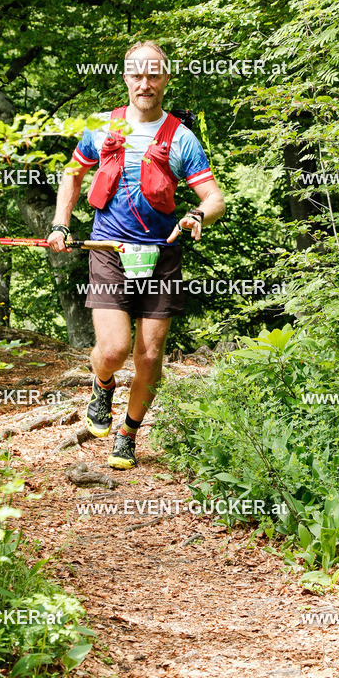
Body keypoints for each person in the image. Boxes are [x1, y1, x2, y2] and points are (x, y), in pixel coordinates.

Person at [47, 41, 226, 469]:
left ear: (166, 77)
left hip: (161, 256)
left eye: (154, 74)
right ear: (126, 77)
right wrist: (60, 223)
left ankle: (128, 432)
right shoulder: (102, 128)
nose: (145, 83)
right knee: (113, 348)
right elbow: (73, 177)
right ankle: (102, 383)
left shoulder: (181, 138)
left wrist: (198, 214)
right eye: (137, 74)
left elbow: (215, 197)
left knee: (149, 355)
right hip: (109, 249)